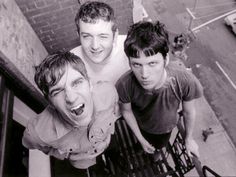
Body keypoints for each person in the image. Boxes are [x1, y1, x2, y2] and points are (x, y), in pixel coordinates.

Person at [116, 21, 203, 160]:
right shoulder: (124, 84)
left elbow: (188, 111)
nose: (144, 74)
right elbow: (126, 111)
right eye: (137, 64)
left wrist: (189, 138)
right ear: (129, 63)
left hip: (165, 129)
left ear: (165, 59)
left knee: (158, 147)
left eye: (152, 63)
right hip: (141, 125)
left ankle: (156, 154)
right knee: (141, 144)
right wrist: (141, 140)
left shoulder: (185, 80)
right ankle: (141, 148)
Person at [22, 51, 120, 170]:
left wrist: (108, 134)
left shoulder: (108, 92)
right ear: (50, 103)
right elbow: (36, 145)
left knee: (115, 155)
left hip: (108, 142)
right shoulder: (37, 133)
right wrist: (65, 154)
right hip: (84, 162)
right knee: (97, 170)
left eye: (76, 83)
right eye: (57, 92)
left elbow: (114, 110)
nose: (71, 98)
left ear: (89, 84)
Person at [71, 1, 130, 85]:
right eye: (87, 36)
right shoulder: (71, 62)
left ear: (115, 35)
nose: (95, 46)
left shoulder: (132, 48)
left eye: (103, 36)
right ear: (78, 36)